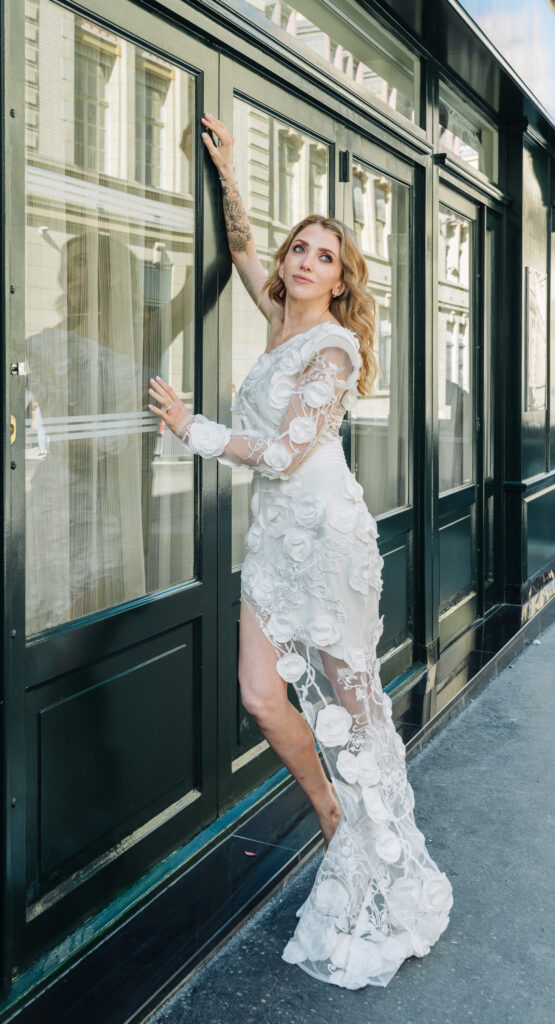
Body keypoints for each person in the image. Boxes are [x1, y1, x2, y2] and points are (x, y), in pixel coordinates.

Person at [148, 114, 452, 990]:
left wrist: (192, 427)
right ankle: (331, 817)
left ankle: (382, 855)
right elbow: (241, 245)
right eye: (299, 249)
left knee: (354, 714)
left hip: (327, 539)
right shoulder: (279, 314)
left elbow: (285, 452)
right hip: (274, 539)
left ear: (342, 279)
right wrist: (230, 172)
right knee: (259, 693)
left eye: (323, 256)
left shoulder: (335, 347)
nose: (302, 261)